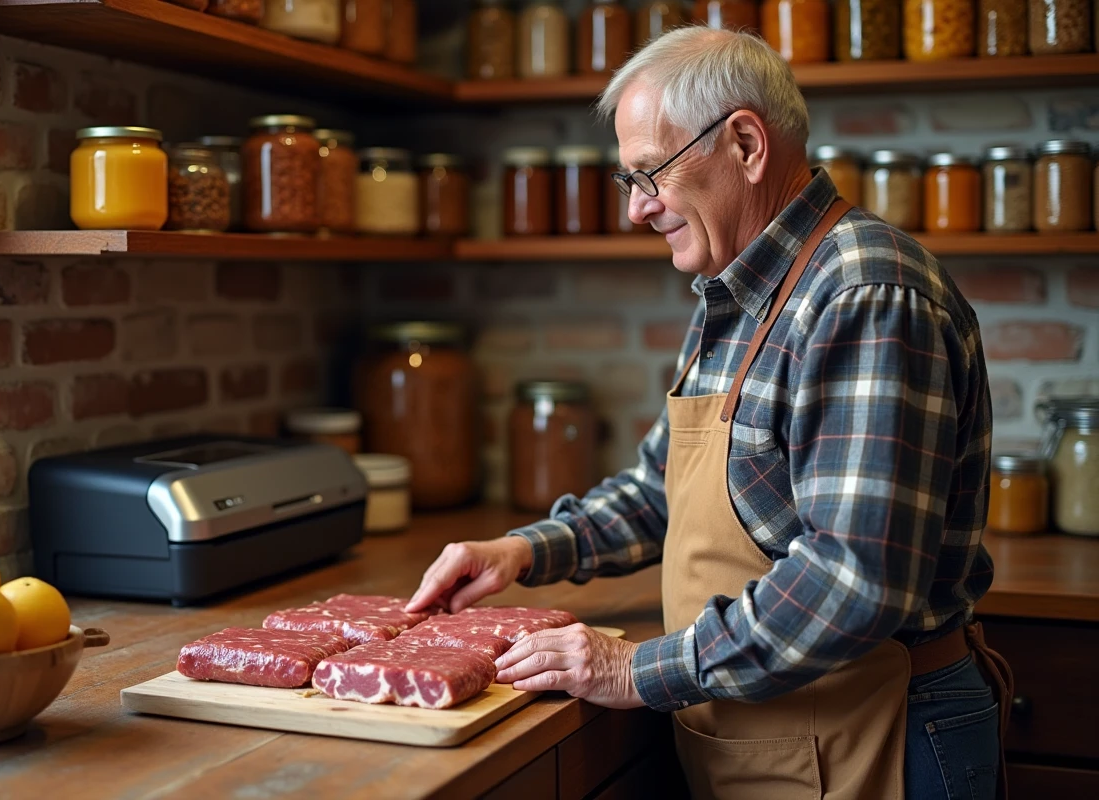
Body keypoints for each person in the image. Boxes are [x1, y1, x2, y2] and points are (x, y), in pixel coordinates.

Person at [406, 25, 1014, 800]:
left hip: (884, 730)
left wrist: (635, 669)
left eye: (649, 173)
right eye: (628, 180)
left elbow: (853, 580)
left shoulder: (862, 292)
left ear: (746, 145)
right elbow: (661, 488)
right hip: (785, 734)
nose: (637, 208)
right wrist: (520, 552)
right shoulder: (740, 291)